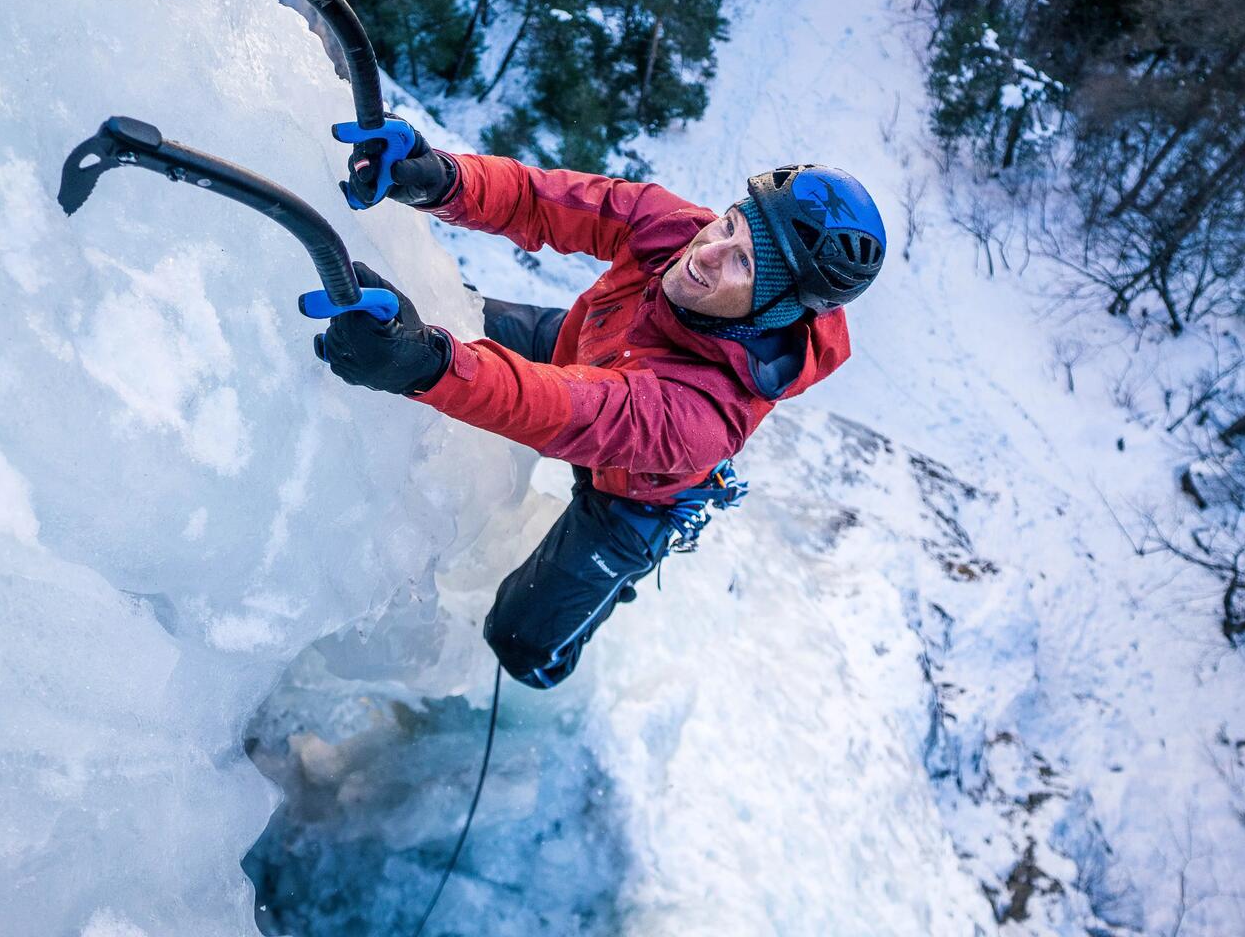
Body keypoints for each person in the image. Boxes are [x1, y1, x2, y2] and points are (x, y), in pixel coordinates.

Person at [316, 123, 885, 688]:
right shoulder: (675, 227)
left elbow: (564, 410)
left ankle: (610, 582)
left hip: (632, 493)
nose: (707, 252)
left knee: (520, 645)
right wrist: (442, 180)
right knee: (439, 318)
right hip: (582, 349)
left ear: (777, 310)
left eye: (744, 264)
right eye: (729, 224)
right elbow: (541, 201)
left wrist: (425, 365)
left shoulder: (707, 416)